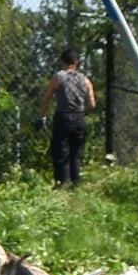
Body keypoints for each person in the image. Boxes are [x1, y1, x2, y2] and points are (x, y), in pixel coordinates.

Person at [40, 47, 95, 188]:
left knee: (61, 150)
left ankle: (62, 182)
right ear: (77, 62)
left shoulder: (58, 77)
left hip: (63, 117)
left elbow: (46, 99)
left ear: (62, 62)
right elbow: (92, 104)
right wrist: (84, 112)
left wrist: (42, 116)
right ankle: (76, 182)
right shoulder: (85, 80)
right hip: (79, 117)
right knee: (76, 152)